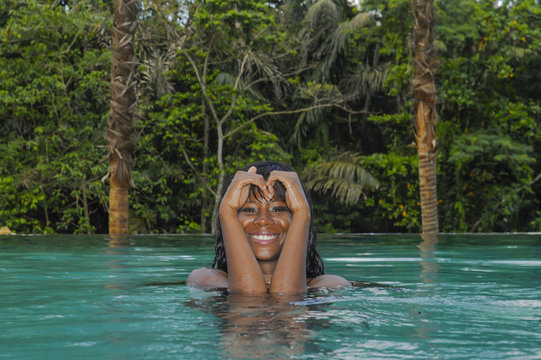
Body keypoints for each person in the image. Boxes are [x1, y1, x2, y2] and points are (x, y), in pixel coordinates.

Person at [187, 161, 350, 293]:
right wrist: (227, 211)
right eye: (249, 210)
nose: (263, 220)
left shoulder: (329, 285)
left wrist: (302, 212)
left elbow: (287, 310)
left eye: (278, 209)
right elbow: (249, 304)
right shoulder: (205, 279)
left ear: (297, 220)